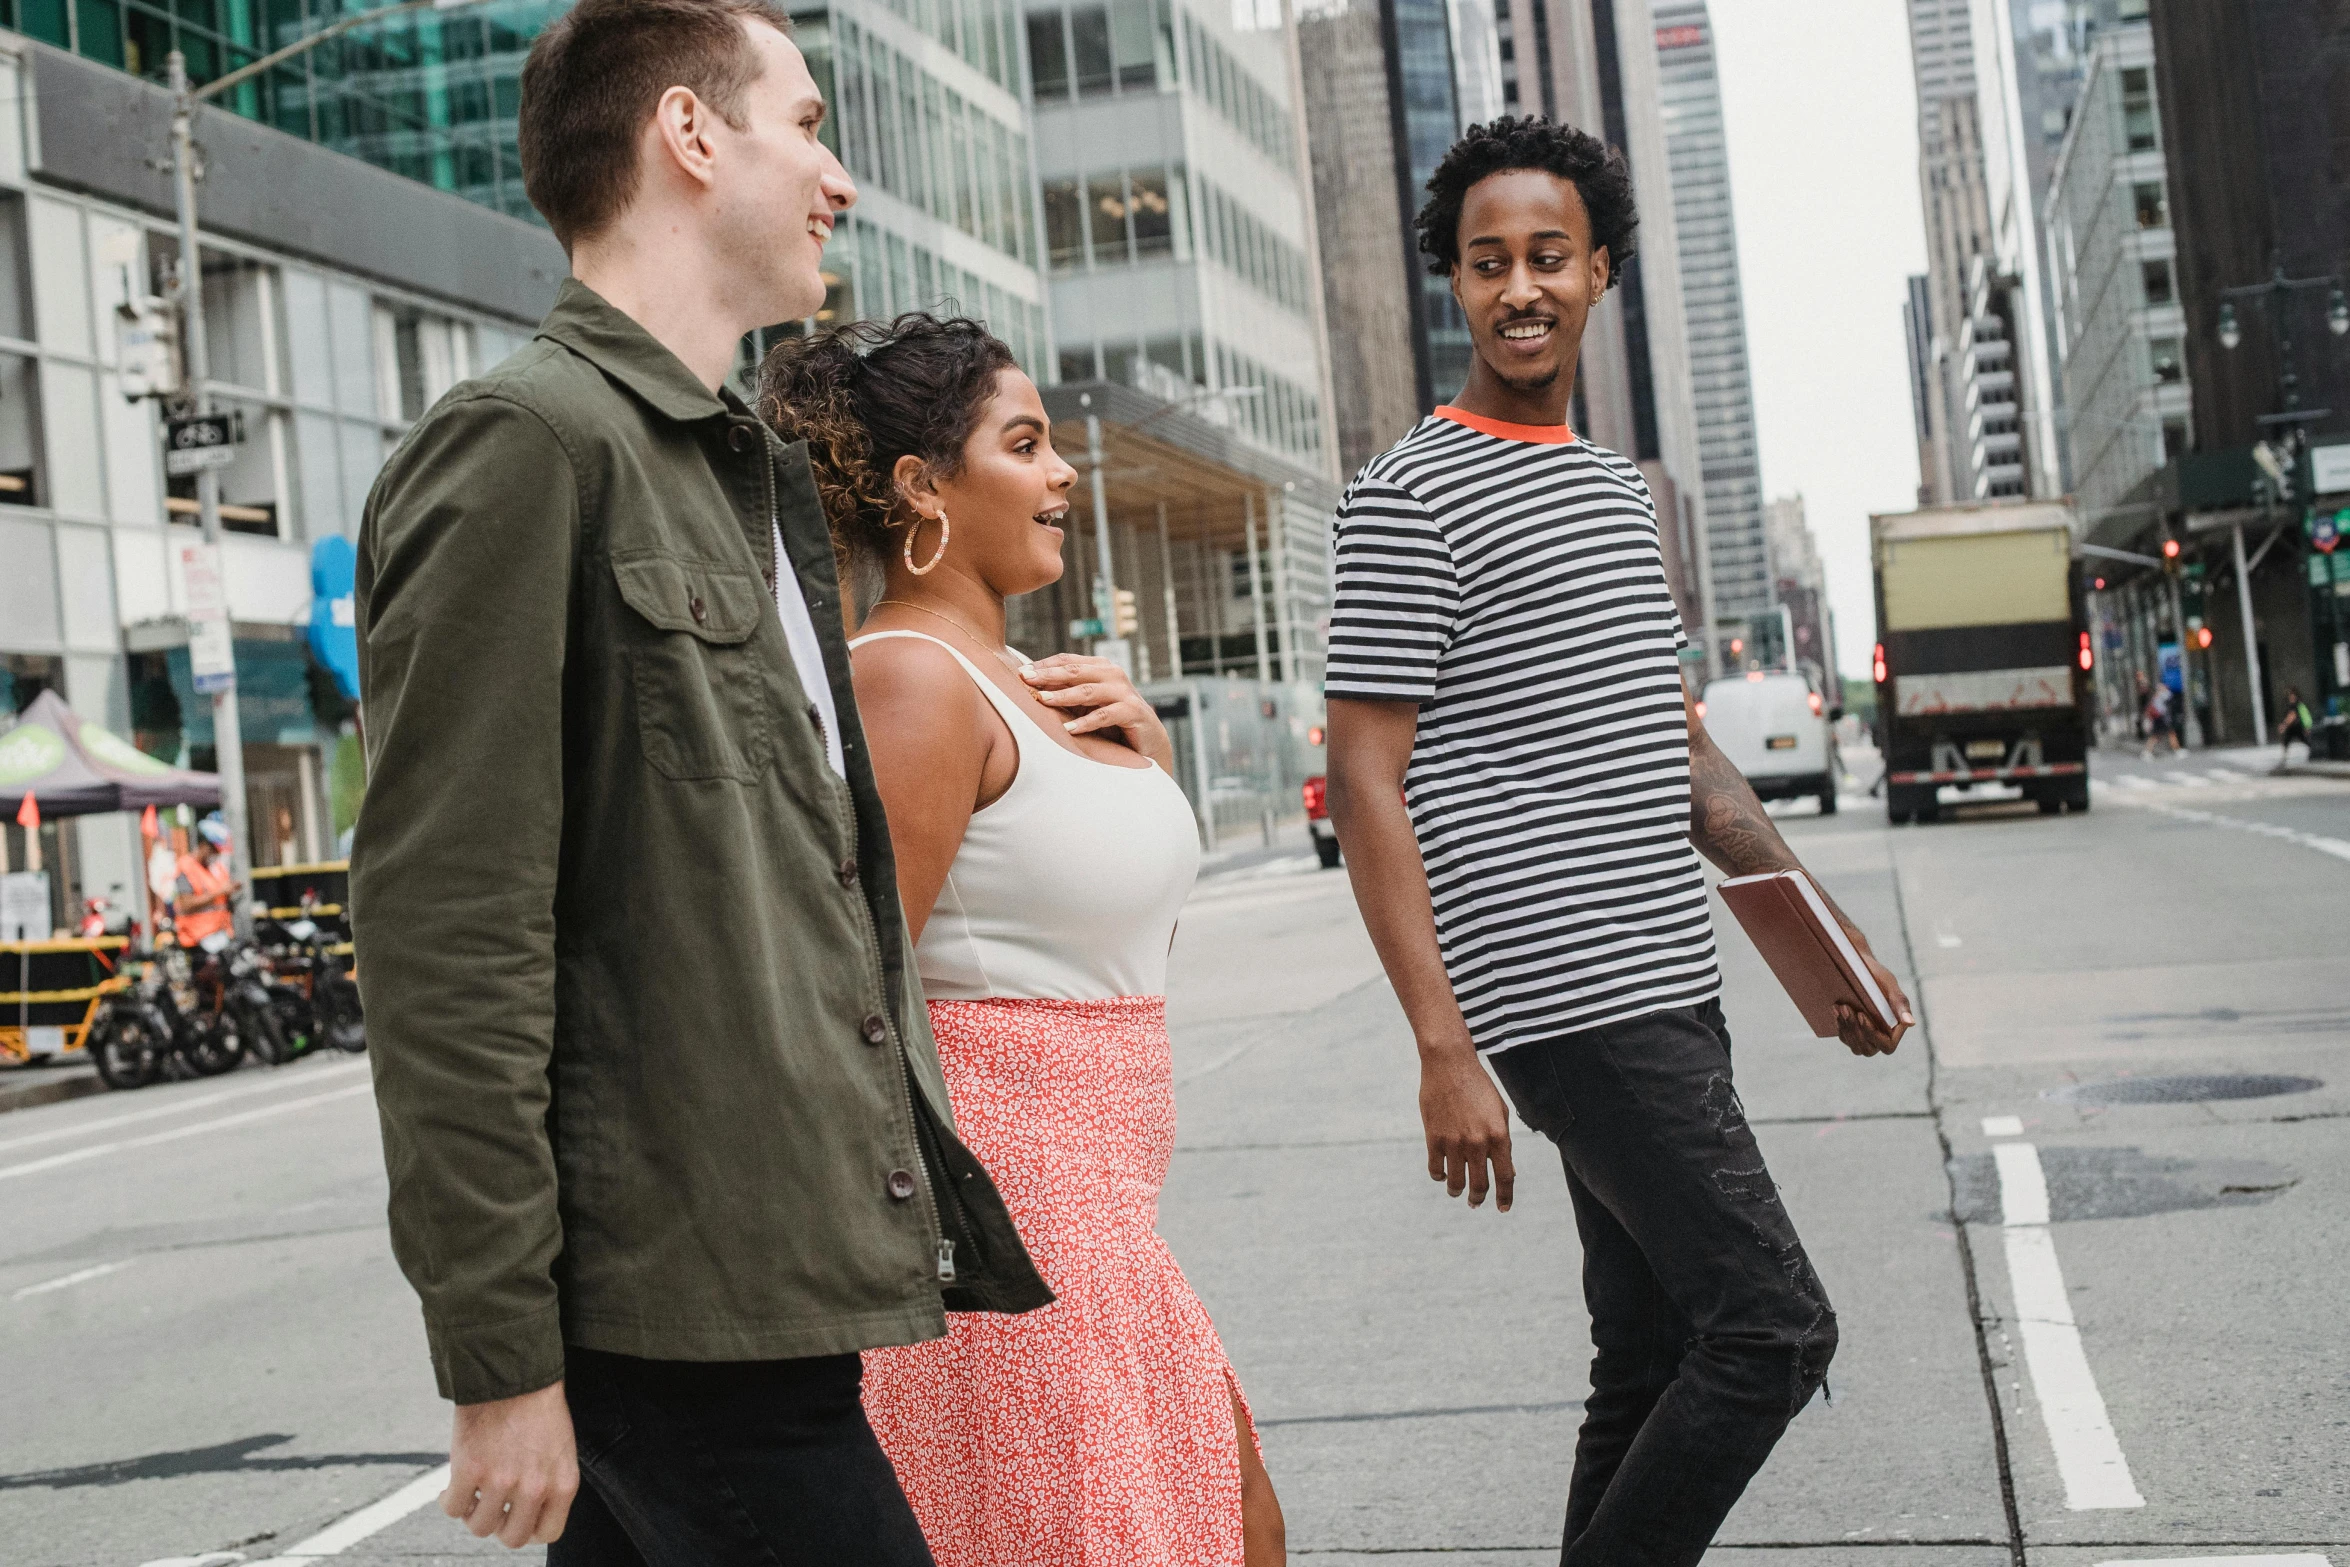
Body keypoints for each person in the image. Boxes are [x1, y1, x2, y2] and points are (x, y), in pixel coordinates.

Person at [350, 2, 1047, 1559]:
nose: (839, 178)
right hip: (678, 1316)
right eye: (804, 124)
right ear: (687, 134)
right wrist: (501, 1354)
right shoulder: (525, 446)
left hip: (768, 1272)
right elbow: (447, 936)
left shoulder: (739, 474)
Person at [1321, 117, 1916, 1567]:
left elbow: (1677, 744)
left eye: (1545, 256)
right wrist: (1439, 1043)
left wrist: (1808, 927)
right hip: (1562, 986)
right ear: (1450, 286)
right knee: (1772, 1325)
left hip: (1666, 970)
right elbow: (1363, 778)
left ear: (1600, 270)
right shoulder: (1409, 494)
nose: (1517, 288)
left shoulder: (1609, 491)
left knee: (1647, 1350)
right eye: (1483, 264)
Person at [758, 314, 1287, 1567]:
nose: (1062, 475)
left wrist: (1145, 749)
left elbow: (1101, 945)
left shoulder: (1030, 681)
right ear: (920, 488)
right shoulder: (909, 681)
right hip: (1018, 1225)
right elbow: (852, 994)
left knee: (1225, 1526)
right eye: (1026, 443)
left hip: (1105, 1219)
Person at [172, 816, 238, 949]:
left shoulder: (216, 868)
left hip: (221, 935)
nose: (216, 854)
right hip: (198, 938)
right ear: (203, 845)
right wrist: (220, 892)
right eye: (214, 850)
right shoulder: (186, 867)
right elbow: (186, 904)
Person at [2276, 685, 2315, 765]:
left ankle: (2314, 752)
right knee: (2287, 741)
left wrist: (2284, 725)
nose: (2291, 697)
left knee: (2304, 740)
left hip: (2297, 727)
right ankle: (2284, 757)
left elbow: (2292, 716)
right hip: (2292, 728)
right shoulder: (2294, 704)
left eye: (2291, 695)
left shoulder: (2295, 705)